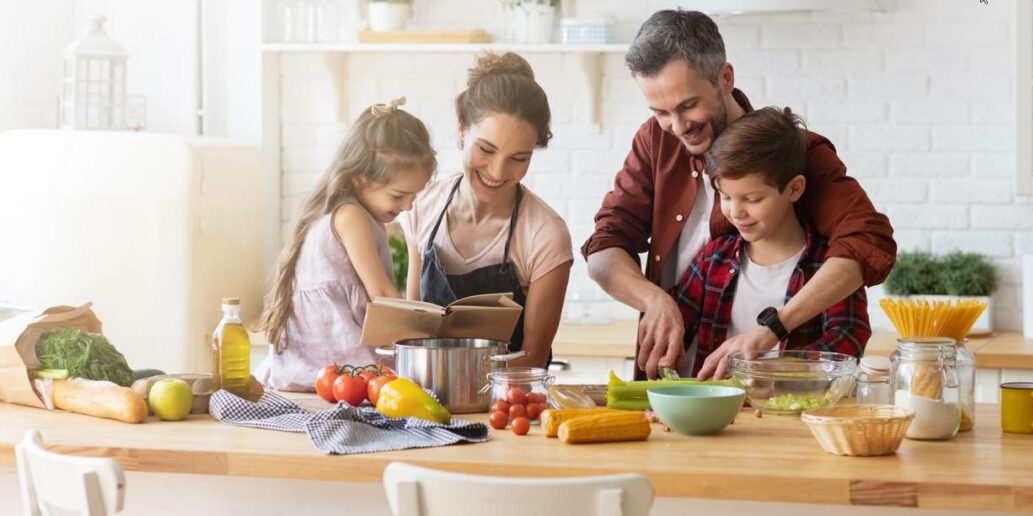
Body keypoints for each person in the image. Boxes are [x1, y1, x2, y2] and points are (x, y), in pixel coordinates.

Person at [581, 10, 896, 379]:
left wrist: (773, 331)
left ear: (725, 78)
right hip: (683, 383)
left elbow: (868, 241)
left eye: (687, 105)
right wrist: (654, 300)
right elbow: (604, 247)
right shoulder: (656, 140)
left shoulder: (793, 152)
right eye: (660, 112)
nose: (677, 127)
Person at [403, 52, 573, 368]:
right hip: (425, 402)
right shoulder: (422, 206)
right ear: (461, 130)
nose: (497, 171)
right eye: (486, 149)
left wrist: (463, 385)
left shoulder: (545, 233)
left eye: (518, 158)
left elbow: (533, 359)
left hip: (508, 405)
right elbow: (412, 333)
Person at [674, 107, 871, 380]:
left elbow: (848, 340)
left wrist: (770, 370)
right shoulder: (712, 259)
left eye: (752, 199)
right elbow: (677, 328)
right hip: (716, 414)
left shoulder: (829, 266)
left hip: (793, 413)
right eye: (725, 196)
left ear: (794, 189)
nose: (735, 212)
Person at [256, 98, 436, 391]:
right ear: (360, 179)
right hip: (334, 360)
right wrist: (423, 337)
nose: (407, 205)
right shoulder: (351, 215)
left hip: (317, 363)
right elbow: (381, 293)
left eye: (414, 196)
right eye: (398, 195)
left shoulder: (346, 210)